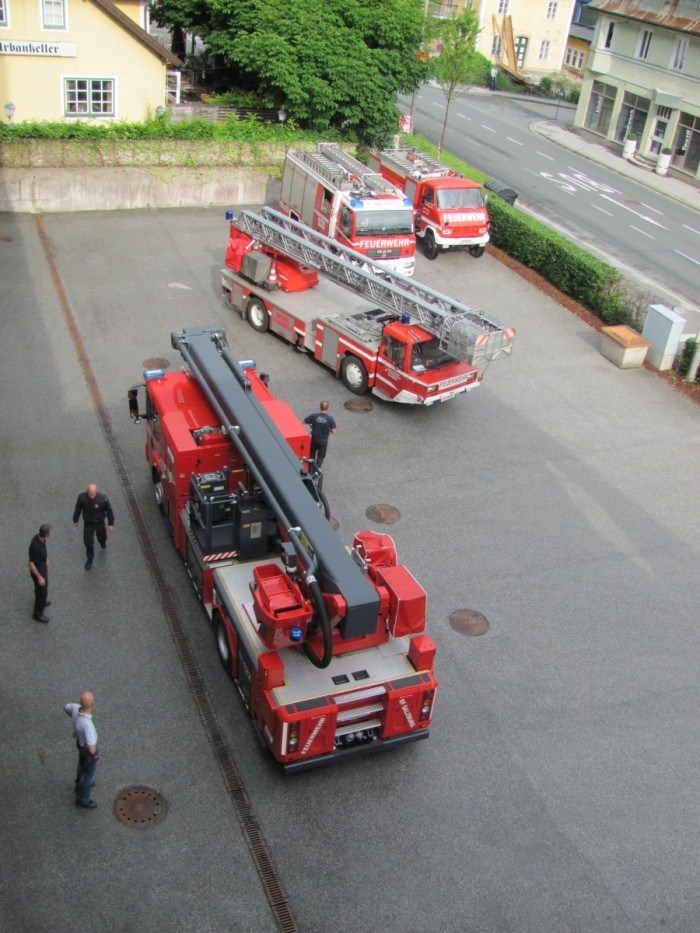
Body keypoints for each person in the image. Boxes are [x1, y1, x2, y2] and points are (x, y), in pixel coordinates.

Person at [64, 692, 99, 809]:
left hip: (80, 743)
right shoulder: (87, 724)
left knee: (81, 764)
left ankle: (79, 780)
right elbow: (92, 747)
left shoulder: (74, 708)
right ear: (93, 704)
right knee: (88, 774)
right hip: (87, 750)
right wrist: (94, 756)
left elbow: (66, 707)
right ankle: (83, 799)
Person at [73, 484, 115, 571]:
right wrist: (75, 520)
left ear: (96, 492)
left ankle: (102, 542)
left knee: (102, 536)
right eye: (90, 494)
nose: (91, 496)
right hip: (88, 523)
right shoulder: (82, 498)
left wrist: (110, 523)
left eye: (93, 494)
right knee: (88, 542)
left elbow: (109, 511)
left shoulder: (103, 499)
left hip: (99, 522)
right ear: (87, 492)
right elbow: (78, 509)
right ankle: (90, 559)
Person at [28, 523, 52, 623]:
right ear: (46, 534)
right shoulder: (35, 547)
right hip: (38, 570)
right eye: (50, 531)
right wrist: (39, 577)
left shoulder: (39, 539)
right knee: (41, 591)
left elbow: (43, 551)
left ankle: (42, 602)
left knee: (43, 590)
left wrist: (45, 559)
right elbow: (31, 564)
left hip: (42, 566)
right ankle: (37, 614)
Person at [304, 401, 337, 468]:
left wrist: (312, 425)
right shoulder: (330, 419)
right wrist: (328, 429)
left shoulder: (314, 416)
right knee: (320, 457)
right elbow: (334, 431)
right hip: (323, 440)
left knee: (312, 454)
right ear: (328, 408)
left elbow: (304, 421)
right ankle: (316, 471)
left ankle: (310, 469)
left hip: (314, 439)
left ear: (320, 407)